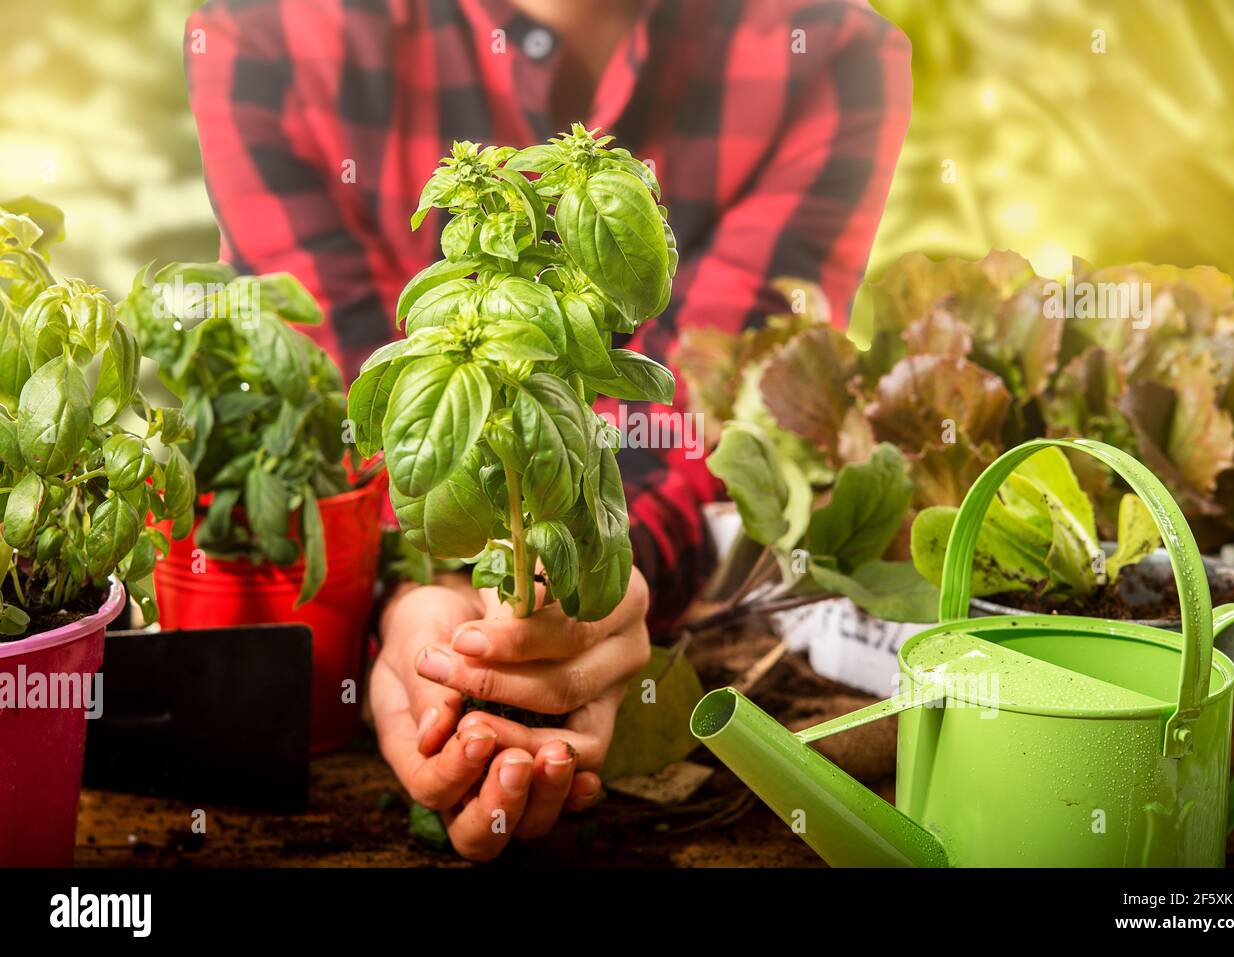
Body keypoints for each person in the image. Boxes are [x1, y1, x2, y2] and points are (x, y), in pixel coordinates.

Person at [185, 0, 910, 860]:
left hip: (607, 609)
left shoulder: (826, 58)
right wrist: (429, 606)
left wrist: (582, 600)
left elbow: (698, 413)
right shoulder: (272, 33)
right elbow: (362, 412)